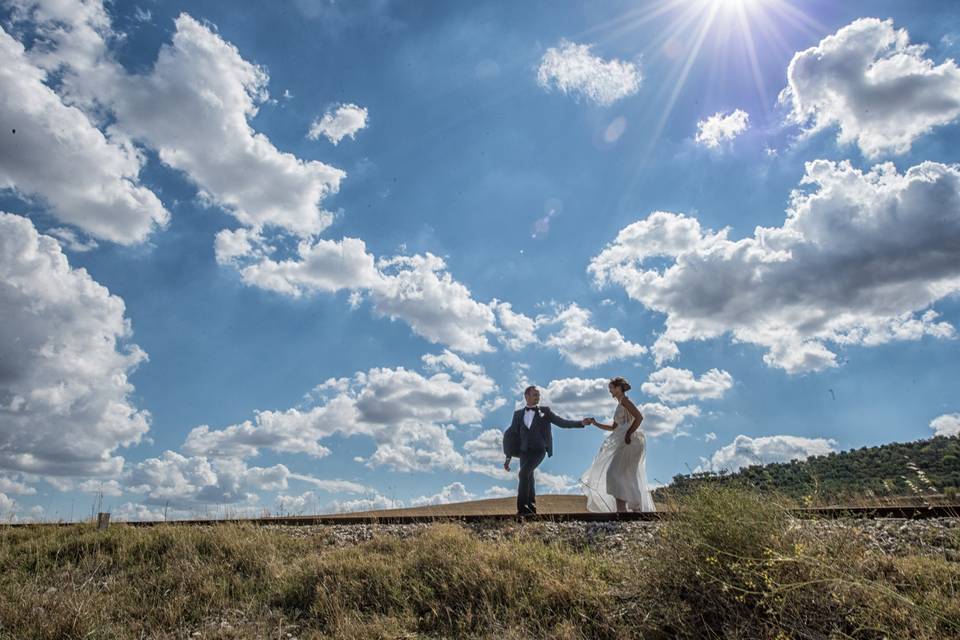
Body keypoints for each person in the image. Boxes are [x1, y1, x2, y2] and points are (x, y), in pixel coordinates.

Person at [503, 385, 589, 516]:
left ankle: (521, 509)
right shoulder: (518, 414)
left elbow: (562, 422)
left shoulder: (545, 412)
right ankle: (531, 509)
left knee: (523, 474)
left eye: (538, 395)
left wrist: (580, 423)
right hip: (524, 451)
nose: (537, 397)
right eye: (534, 395)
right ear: (526, 396)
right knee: (529, 478)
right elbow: (512, 435)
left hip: (539, 450)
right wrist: (508, 457)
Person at [580, 377, 655, 513]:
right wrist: (595, 423)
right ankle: (624, 510)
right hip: (623, 440)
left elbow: (639, 417)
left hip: (630, 441)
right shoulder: (620, 403)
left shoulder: (625, 401)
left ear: (618, 388)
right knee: (621, 474)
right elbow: (614, 427)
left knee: (615, 473)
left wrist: (628, 433)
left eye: (611, 388)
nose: (610, 391)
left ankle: (629, 509)